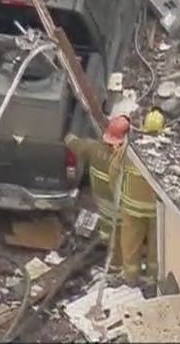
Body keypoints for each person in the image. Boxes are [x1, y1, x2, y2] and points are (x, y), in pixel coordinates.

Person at [64, 112, 163, 285]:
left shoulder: (96, 149)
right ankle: (152, 276)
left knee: (122, 242)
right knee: (152, 242)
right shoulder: (132, 153)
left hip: (110, 207)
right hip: (140, 209)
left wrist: (68, 136)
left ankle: (121, 272)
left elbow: (78, 146)